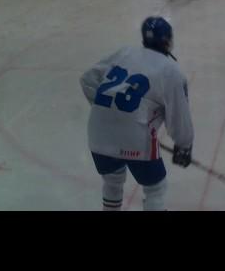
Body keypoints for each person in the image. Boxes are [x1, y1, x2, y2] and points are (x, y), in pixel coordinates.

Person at [80, 17, 194, 211]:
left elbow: (87, 79)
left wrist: (105, 109)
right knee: (155, 189)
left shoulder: (124, 52)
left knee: (112, 182)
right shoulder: (172, 71)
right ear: (167, 40)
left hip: (98, 134)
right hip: (136, 139)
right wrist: (183, 145)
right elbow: (178, 116)